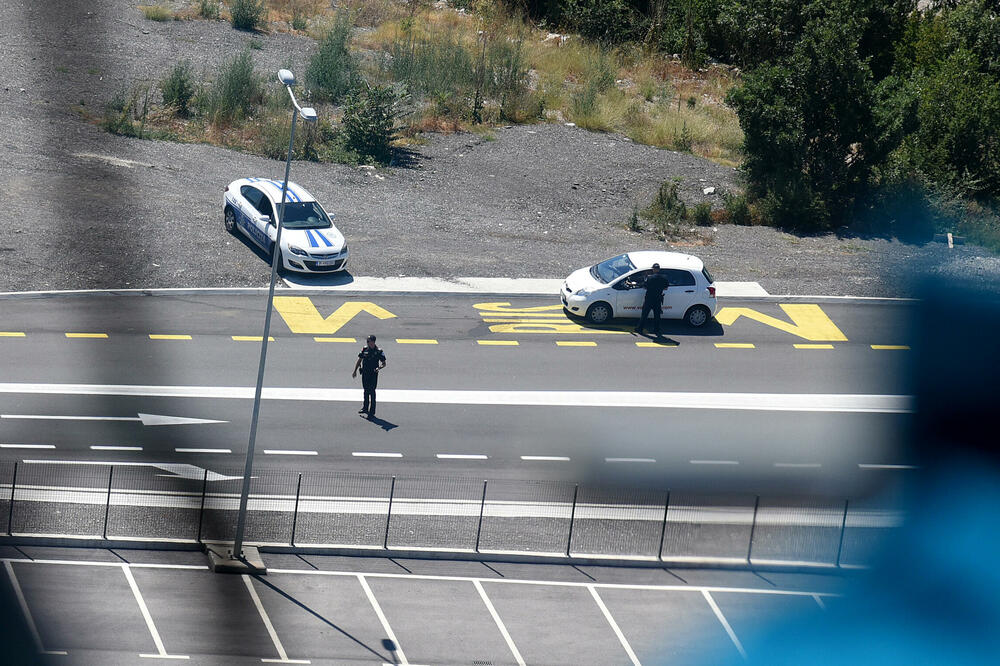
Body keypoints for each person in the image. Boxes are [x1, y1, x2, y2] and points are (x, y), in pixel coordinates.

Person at [352, 335, 386, 418]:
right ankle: (365, 407)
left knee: (372, 391)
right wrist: (355, 371)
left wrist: (379, 368)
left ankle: (372, 411)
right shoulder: (364, 349)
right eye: (367, 341)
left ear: (373, 342)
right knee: (366, 390)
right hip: (365, 373)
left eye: (369, 341)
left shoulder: (379, 351)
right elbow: (359, 360)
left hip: (373, 374)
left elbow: (384, 363)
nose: (367, 342)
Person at [636, 263, 669, 336]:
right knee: (657, 315)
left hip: (649, 299)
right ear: (659, 269)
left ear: (653, 269)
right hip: (657, 299)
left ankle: (640, 328)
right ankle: (656, 330)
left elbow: (644, 287)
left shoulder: (649, 278)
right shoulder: (663, 278)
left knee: (644, 315)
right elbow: (666, 288)